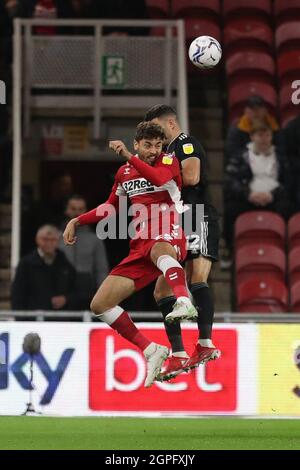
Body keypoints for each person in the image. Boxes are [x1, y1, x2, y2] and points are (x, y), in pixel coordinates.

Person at [63, 122, 197, 387]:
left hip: (168, 229)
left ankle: (184, 299)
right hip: (140, 246)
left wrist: (129, 156)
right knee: (100, 304)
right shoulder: (124, 172)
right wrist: (77, 220)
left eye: (158, 145)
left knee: (161, 250)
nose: (153, 151)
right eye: (147, 145)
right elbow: (109, 208)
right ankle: (151, 350)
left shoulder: (168, 160)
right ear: (137, 143)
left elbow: (159, 179)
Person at [144, 105, 221, 381]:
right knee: (161, 291)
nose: (156, 135)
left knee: (197, 278)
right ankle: (178, 354)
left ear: (171, 123)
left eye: (158, 128)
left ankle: (205, 343)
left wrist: (157, 179)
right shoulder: (166, 154)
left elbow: (192, 177)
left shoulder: (185, 143)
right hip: (178, 220)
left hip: (197, 214)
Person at [224, 119, 293, 250]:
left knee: (289, 208)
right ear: (252, 136)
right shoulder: (240, 157)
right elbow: (231, 181)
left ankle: (284, 250)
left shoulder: (281, 157)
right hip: (248, 199)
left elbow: (288, 182)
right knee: (230, 210)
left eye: (267, 135)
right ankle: (230, 249)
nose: (264, 139)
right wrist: (248, 194)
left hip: (274, 199)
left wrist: (272, 195)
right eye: (260, 135)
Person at [11, 225, 78, 310]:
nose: (49, 243)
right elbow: (17, 294)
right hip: (33, 320)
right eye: (45, 239)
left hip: (60, 320)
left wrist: (66, 299)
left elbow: (76, 291)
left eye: (53, 240)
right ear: (37, 240)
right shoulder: (26, 264)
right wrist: (21, 320)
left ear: (58, 241)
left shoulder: (65, 264)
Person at [59, 194, 109, 307]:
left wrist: (102, 294)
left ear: (86, 211)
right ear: (66, 210)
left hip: (86, 290)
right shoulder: (56, 236)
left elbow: (101, 269)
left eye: (81, 209)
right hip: (61, 290)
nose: (77, 212)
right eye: (73, 209)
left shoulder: (95, 239)